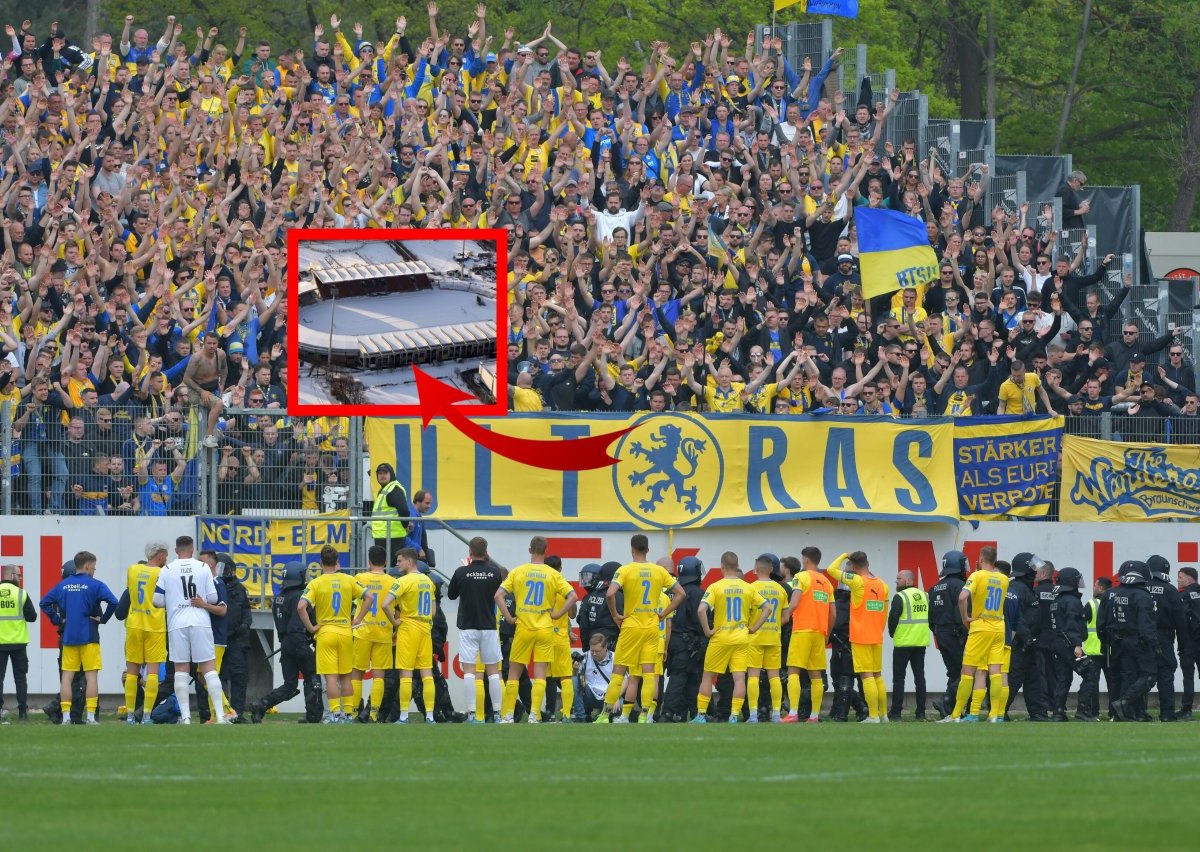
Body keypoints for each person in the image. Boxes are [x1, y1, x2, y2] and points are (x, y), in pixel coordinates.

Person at [597, 534, 684, 723]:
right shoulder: (658, 571)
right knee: (649, 672)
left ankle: (605, 714)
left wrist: (615, 615)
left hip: (631, 625)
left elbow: (610, 593)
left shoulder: (625, 570)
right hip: (651, 627)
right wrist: (663, 614)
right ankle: (645, 715)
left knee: (619, 671)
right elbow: (680, 594)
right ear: (648, 550)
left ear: (632, 549)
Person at [496, 536, 577, 723]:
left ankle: (507, 715)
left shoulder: (519, 571)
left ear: (530, 550)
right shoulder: (553, 574)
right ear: (545, 550)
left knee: (514, 673)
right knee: (540, 674)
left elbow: (498, 595)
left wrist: (509, 617)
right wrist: (557, 615)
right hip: (545, 628)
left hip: (523, 627)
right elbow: (572, 596)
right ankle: (534, 714)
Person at [152, 536, 230, 725]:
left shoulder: (167, 569)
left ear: (176, 550)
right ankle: (220, 715)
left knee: (181, 669)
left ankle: (186, 717)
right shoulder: (203, 568)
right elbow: (212, 597)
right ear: (192, 549)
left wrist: (173, 599)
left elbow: (157, 600)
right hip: (200, 621)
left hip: (177, 622)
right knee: (209, 669)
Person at [40, 550, 118, 725]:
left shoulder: (63, 585)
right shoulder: (95, 584)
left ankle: (66, 717)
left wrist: (58, 620)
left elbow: (44, 602)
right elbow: (114, 602)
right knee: (91, 677)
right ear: (88, 565)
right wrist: (103, 619)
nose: (94, 570)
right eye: (94, 567)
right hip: (89, 636)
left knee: (66, 678)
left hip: (68, 636)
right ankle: (90, 717)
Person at [692, 552, 769, 724]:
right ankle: (734, 716)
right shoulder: (748, 587)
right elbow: (767, 608)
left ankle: (701, 716)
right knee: (739, 678)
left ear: (722, 567)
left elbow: (701, 609)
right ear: (737, 566)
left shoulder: (716, 586)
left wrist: (707, 630)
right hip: (742, 638)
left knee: (707, 677)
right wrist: (754, 628)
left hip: (720, 637)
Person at [298, 545, 367, 723]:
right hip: (345, 632)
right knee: (346, 677)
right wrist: (358, 619)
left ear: (321, 562)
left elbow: (301, 607)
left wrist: (312, 627)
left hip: (326, 632)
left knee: (330, 677)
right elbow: (370, 597)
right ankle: (349, 715)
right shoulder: (348, 579)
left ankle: (336, 715)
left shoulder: (316, 582)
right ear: (338, 561)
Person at [942, 546, 1009, 723]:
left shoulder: (977, 575)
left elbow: (962, 597)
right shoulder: (1004, 578)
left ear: (980, 559)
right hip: (999, 627)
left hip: (980, 626)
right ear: (995, 559)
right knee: (995, 672)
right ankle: (994, 715)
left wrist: (965, 618)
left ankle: (956, 714)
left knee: (968, 672)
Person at [250, 562, 322, 723]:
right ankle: (314, 715)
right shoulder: (300, 596)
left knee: (289, 686)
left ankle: (261, 704)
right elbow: (297, 626)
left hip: (286, 645)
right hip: (298, 642)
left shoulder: (280, 597)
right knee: (312, 678)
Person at [824, 551, 890, 723]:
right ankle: (883, 715)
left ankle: (873, 716)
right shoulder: (883, 585)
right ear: (868, 563)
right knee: (877, 675)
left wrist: (844, 554)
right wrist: (878, 630)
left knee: (866, 676)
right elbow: (885, 614)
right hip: (877, 635)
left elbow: (831, 570)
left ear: (853, 567)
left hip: (861, 636)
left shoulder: (857, 581)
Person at [447, 537, 504, 724]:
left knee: (470, 671)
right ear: (486, 552)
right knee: (493, 671)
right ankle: (497, 714)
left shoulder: (461, 572)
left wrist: (466, 569)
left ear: (470, 551)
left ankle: (472, 714)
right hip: (489, 626)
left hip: (468, 626)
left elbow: (452, 594)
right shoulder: (495, 573)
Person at [380, 548, 436, 724]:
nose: (397, 565)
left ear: (409, 562)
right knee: (427, 673)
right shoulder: (428, 581)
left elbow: (385, 604)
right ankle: (430, 716)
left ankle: (404, 716)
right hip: (425, 628)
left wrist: (395, 622)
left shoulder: (402, 581)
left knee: (406, 673)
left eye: (399, 561)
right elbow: (433, 610)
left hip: (409, 627)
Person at [780, 547, 834, 723]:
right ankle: (814, 716)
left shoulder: (801, 577)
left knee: (793, 671)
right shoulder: (826, 582)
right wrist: (827, 633)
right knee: (815, 675)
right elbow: (833, 614)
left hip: (802, 629)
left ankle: (793, 713)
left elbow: (794, 603)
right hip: (819, 632)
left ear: (806, 560)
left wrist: (783, 618)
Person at [1101, 561, 1157, 722]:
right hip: (1139, 641)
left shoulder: (1118, 594)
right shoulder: (1143, 596)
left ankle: (1129, 713)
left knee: (1129, 676)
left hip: (1121, 641)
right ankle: (1124, 704)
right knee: (1149, 676)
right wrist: (1154, 644)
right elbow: (1145, 624)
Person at [121, 541, 170, 723]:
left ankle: (130, 715)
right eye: (166, 555)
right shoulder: (163, 572)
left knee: (132, 672)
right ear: (161, 556)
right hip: (154, 625)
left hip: (134, 623)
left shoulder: (132, 569)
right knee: (152, 673)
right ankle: (147, 715)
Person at [1046, 567, 1099, 722]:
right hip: (1069, 645)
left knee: (1063, 678)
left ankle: (1058, 712)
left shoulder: (1056, 601)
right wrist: (1076, 645)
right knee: (1090, 672)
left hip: (1057, 645)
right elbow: (1072, 624)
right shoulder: (1072, 601)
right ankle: (1083, 711)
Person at [350, 546, 396, 723]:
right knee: (379, 676)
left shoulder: (360, 578)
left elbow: (355, 602)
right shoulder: (393, 581)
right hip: (383, 632)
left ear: (369, 562)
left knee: (356, 674)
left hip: (362, 631)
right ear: (385, 562)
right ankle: (374, 714)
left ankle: (354, 713)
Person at [1005, 552, 1050, 721]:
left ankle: (1037, 713)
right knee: (1013, 679)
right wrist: (1026, 637)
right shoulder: (1017, 587)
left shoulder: (1026, 587)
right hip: (1020, 643)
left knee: (1034, 680)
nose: (1035, 569)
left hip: (1029, 643)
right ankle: (999, 712)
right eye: (1032, 566)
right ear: (1025, 568)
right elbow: (1016, 617)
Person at [661, 556, 705, 723]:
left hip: (671, 639)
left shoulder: (671, 591)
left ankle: (686, 713)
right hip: (688, 643)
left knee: (688, 679)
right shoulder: (697, 593)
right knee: (679, 679)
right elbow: (700, 620)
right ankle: (668, 713)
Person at [1145, 555, 1188, 722]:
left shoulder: (1140, 588)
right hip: (1164, 638)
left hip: (1142, 639)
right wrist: (1182, 646)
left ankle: (1139, 712)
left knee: (1142, 675)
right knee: (1166, 676)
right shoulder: (1170, 590)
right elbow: (1181, 622)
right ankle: (1167, 714)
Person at [194, 550, 235, 723]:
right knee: (202, 676)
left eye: (202, 561)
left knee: (210, 675)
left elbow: (222, 609)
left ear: (211, 564)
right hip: (206, 636)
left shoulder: (217, 583)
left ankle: (225, 710)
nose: (199, 565)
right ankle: (218, 712)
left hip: (215, 638)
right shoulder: (205, 583)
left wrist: (203, 604)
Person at [745, 554, 787, 723]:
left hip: (754, 637)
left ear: (755, 569)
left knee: (753, 676)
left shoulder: (751, 588)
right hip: (774, 637)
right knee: (774, 677)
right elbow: (786, 617)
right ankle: (776, 714)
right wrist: (775, 624)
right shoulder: (781, 589)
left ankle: (753, 715)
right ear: (772, 570)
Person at [928, 550, 968, 719]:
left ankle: (950, 709)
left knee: (953, 672)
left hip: (941, 634)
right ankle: (946, 701)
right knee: (965, 672)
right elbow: (961, 613)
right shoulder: (959, 586)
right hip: (956, 634)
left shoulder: (934, 587)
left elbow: (931, 618)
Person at [888, 569, 930, 720]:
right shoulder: (925, 596)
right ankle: (921, 713)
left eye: (899, 579)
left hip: (903, 643)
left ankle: (896, 713)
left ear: (908, 580)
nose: (896, 582)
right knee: (920, 678)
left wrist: (892, 633)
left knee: (899, 678)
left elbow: (893, 618)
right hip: (920, 643)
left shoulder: (900, 596)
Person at [217, 554, 252, 722]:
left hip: (237, 638)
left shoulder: (239, 588)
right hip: (218, 638)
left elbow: (246, 610)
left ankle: (237, 713)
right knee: (216, 676)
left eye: (224, 568)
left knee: (239, 676)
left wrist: (246, 625)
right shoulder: (214, 585)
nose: (222, 572)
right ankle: (219, 712)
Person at [0, 564, 37, 722]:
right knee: (20, 679)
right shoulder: (21, 594)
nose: (20, 578)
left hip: (0, 643)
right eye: (19, 575)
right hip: (19, 643)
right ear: (10, 575)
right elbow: (32, 617)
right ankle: (23, 712)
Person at [547, 555, 578, 722]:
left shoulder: (544, 586)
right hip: (561, 638)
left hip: (544, 636)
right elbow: (572, 614)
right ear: (560, 568)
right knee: (565, 677)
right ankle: (567, 714)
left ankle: (547, 713)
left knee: (546, 678)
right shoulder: (565, 588)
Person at [1078, 576, 1111, 721]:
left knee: (1092, 683)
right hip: (1109, 650)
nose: (1094, 588)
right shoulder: (1112, 602)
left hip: (1093, 650)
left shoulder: (1091, 604)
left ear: (1101, 588)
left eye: (1095, 585)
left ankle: (1094, 713)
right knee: (1113, 682)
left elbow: (1081, 625)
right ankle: (1114, 713)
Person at [370, 463, 410, 565]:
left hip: (392, 538)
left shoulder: (394, 489)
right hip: (384, 536)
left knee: (390, 569)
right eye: (380, 473)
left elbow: (404, 510)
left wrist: (405, 525)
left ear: (391, 474)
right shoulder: (385, 489)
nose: (382, 476)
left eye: (385, 473)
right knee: (383, 568)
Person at [1177, 567, 1200, 720]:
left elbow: (1181, 620)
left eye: (1180, 577)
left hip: (1189, 642)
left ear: (1190, 578)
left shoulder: (1184, 596)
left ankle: (1186, 710)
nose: (1178, 580)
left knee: (1188, 675)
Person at [576, 634, 615, 721]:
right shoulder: (585, 656)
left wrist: (615, 697)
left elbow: (625, 680)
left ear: (605, 647)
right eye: (592, 651)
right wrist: (575, 670)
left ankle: (600, 712)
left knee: (617, 708)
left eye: (597, 651)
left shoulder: (615, 658)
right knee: (574, 681)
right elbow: (577, 677)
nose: (593, 654)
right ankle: (580, 716)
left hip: (609, 696)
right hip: (590, 695)